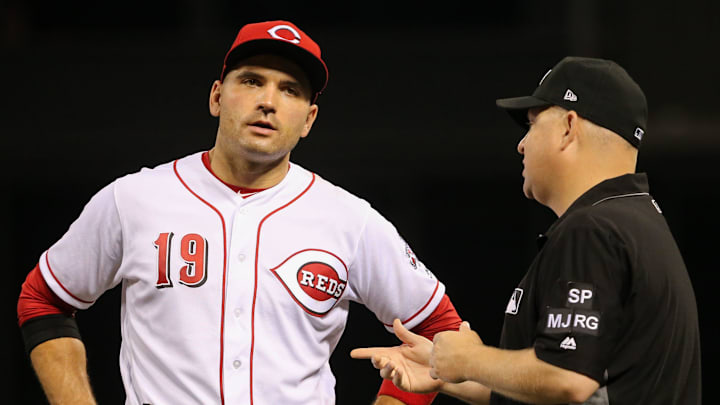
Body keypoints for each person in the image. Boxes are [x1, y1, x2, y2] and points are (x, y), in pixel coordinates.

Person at [16, 20, 463, 405]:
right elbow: (44, 299)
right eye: (251, 81)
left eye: (289, 90)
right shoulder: (134, 199)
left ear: (308, 120)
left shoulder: (350, 220)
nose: (268, 100)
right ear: (216, 97)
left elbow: (444, 332)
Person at [351, 56, 701, 404]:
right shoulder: (636, 219)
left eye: (532, 125)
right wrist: (445, 373)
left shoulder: (593, 228)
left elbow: (568, 378)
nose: (521, 144)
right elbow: (570, 383)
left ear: (568, 127)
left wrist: (469, 359)